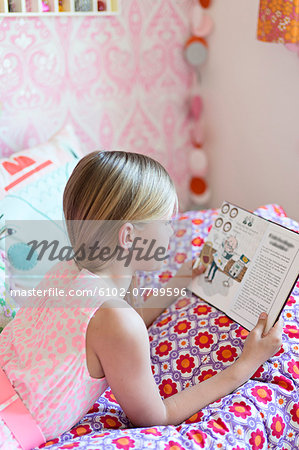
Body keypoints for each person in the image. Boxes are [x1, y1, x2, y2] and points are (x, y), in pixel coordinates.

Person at [0, 151, 283, 449]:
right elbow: (155, 417)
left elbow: (114, 327)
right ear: (129, 237)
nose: (172, 231)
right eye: (167, 222)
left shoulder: (67, 270)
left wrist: (178, 282)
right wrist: (245, 365)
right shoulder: (116, 321)